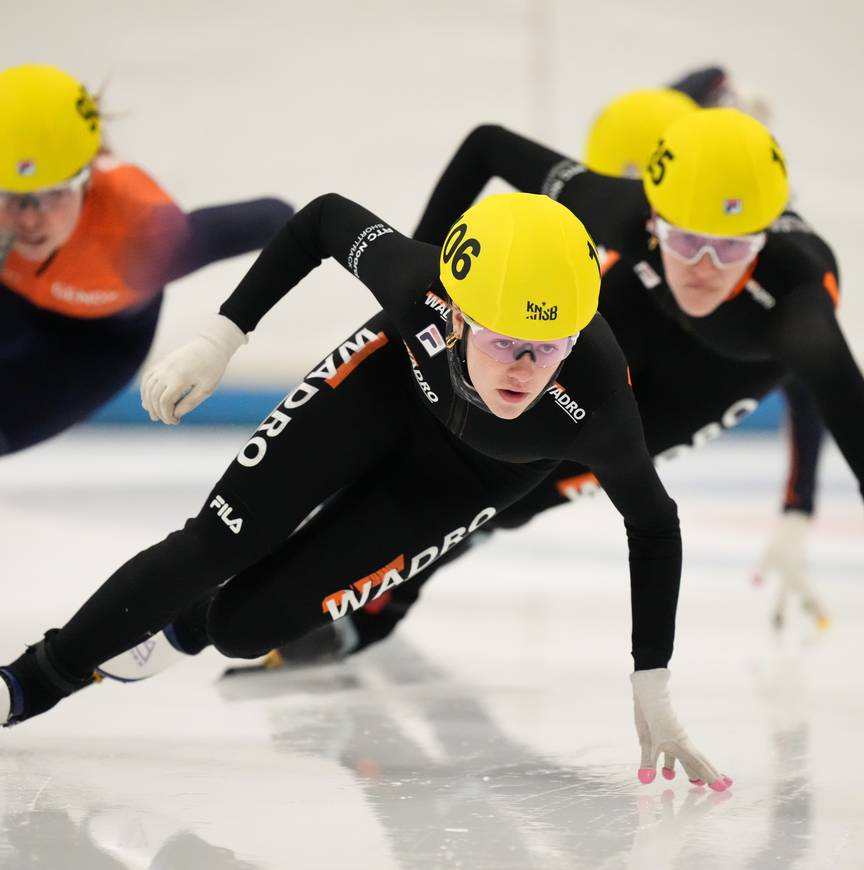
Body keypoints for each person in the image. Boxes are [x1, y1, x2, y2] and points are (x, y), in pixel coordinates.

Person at [0, 189, 731, 791]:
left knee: (244, 627)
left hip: (475, 474)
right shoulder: (417, 283)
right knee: (217, 542)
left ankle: (185, 625)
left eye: (550, 349)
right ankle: (29, 683)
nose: (523, 370)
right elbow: (320, 219)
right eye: (503, 341)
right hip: (386, 385)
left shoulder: (596, 400)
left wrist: (652, 680)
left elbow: (654, 524)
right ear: (456, 314)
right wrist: (222, 338)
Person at [259, 106, 861, 670]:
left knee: (518, 490)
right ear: (655, 218)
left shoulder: (798, 313)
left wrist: (799, 503)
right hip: (636, 315)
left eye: (729, 247)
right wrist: (420, 291)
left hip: (707, 379)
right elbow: (486, 147)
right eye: (683, 238)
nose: (703, 265)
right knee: (459, 422)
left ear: (759, 243)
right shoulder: (627, 211)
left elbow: (819, 387)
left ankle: (379, 608)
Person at [0, 63, 294, 454]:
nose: (29, 218)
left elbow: (278, 217)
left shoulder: (143, 233)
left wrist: (228, 332)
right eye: (9, 195)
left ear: (88, 176)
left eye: (54, 193)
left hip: (93, 345)